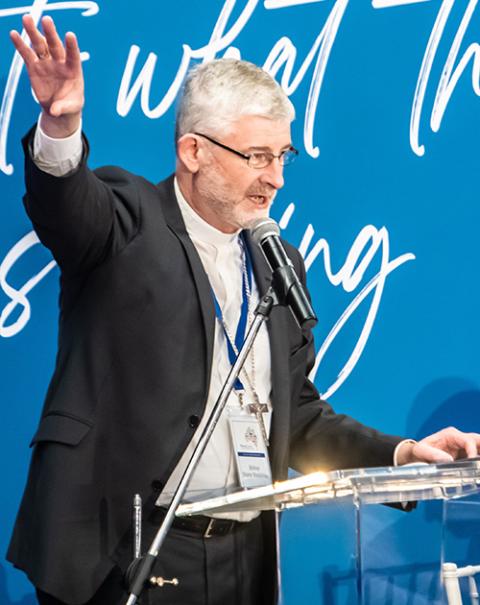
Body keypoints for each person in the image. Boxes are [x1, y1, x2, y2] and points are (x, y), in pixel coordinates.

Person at [7, 14, 480, 605]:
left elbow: (297, 417)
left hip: (244, 558)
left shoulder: (278, 264)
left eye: (283, 156)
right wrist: (60, 123)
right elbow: (65, 204)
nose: (277, 178)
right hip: (126, 550)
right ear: (194, 151)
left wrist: (403, 454)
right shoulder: (128, 221)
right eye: (258, 156)